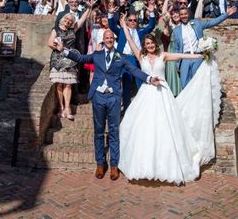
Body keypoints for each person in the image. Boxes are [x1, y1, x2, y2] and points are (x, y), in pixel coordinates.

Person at [118, 15, 220, 184]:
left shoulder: (163, 55)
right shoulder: (140, 57)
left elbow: (182, 56)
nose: (149, 46)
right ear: (144, 46)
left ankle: (169, 164)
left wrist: (201, 56)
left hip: (162, 93)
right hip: (146, 93)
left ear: (155, 44)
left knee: (166, 125)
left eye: (151, 43)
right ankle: (143, 165)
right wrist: (123, 25)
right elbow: (129, 40)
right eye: (147, 44)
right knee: (143, 127)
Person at [53, 29, 160, 180]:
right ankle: (100, 163)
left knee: (114, 131)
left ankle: (114, 165)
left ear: (114, 40)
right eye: (106, 38)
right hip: (98, 96)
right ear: (103, 40)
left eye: (111, 38)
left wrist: (149, 78)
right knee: (98, 131)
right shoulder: (96, 55)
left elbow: (134, 70)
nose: (109, 40)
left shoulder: (121, 57)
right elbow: (81, 58)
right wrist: (63, 51)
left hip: (114, 97)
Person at [47, 0, 94, 120]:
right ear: (63, 20)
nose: (68, 22)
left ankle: (67, 108)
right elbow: (50, 43)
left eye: (70, 21)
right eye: (66, 20)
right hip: (58, 59)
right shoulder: (55, 29)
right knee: (59, 85)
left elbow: (83, 19)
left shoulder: (73, 29)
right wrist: (60, 48)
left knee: (68, 84)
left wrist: (89, 8)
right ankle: (61, 108)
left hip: (70, 58)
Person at [173, 5, 236, 88]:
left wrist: (226, 14)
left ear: (188, 14)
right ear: (179, 16)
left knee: (197, 82)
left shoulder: (197, 23)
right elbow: (177, 48)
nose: (184, 16)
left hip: (198, 56)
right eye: (182, 14)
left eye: (185, 14)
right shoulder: (176, 30)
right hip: (185, 58)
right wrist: (177, 64)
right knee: (184, 84)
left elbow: (212, 23)